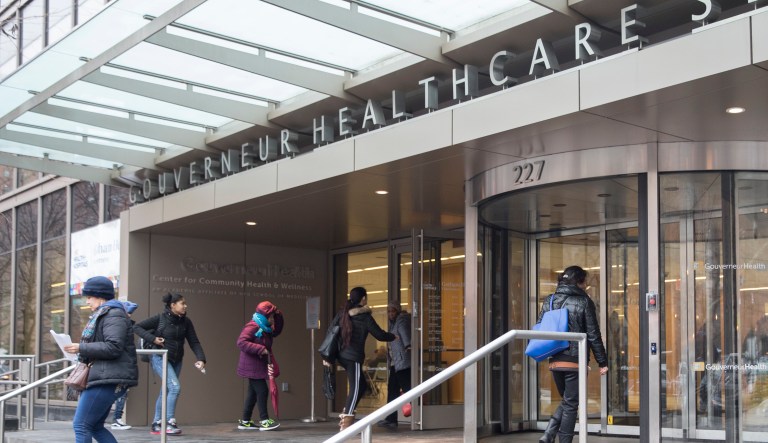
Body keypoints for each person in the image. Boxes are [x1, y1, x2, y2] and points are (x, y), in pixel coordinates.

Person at [537, 266, 608, 443]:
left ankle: (549, 434)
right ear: (579, 282)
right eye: (584, 282)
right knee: (570, 404)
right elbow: (593, 334)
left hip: (554, 359)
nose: (586, 286)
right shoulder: (584, 301)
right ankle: (561, 439)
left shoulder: (550, 300)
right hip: (574, 360)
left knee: (568, 400)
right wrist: (602, 362)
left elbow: (540, 326)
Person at [63, 276, 138, 443]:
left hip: (108, 379)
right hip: (104, 376)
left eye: (89, 297)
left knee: (81, 425)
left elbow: (114, 347)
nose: (87, 301)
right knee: (95, 426)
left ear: (100, 295)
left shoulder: (114, 314)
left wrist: (80, 347)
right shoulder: (105, 314)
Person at [134, 293, 206, 436]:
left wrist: (201, 358)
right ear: (172, 305)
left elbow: (194, 341)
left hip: (176, 359)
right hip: (160, 357)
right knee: (174, 387)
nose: (185, 306)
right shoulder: (160, 318)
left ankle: (157, 423)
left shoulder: (186, 322)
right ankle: (169, 422)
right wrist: (153, 339)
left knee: (167, 390)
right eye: (182, 303)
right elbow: (136, 327)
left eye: (185, 303)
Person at [326, 286, 396, 432]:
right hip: (352, 357)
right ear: (363, 299)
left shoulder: (343, 313)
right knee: (356, 387)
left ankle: (348, 409)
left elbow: (330, 331)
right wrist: (393, 336)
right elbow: (380, 335)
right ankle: (345, 426)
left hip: (341, 355)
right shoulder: (364, 317)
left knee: (362, 385)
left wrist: (328, 356)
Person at [235, 301, 284, 431]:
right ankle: (264, 420)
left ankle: (245, 421)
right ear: (265, 315)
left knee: (252, 392)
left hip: (257, 364)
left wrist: (278, 315)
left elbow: (277, 331)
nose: (272, 318)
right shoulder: (253, 326)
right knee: (262, 391)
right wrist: (260, 349)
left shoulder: (265, 326)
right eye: (271, 316)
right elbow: (241, 342)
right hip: (251, 365)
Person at [376, 303, 411, 429]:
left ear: (398, 311)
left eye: (393, 311)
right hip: (395, 363)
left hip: (402, 362)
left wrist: (408, 345)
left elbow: (405, 333)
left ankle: (421, 413)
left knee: (408, 389)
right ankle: (391, 419)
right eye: (389, 311)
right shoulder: (392, 323)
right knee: (392, 390)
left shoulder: (401, 320)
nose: (390, 313)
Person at [109, 300, 138, 431]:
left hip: (122, 364)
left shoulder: (124, 322)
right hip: (119, 365)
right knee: (121, 392)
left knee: (122, 392)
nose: (130, 315)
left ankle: (116, 418)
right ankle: (116, 419)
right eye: (129, 312)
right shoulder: (119, 322)